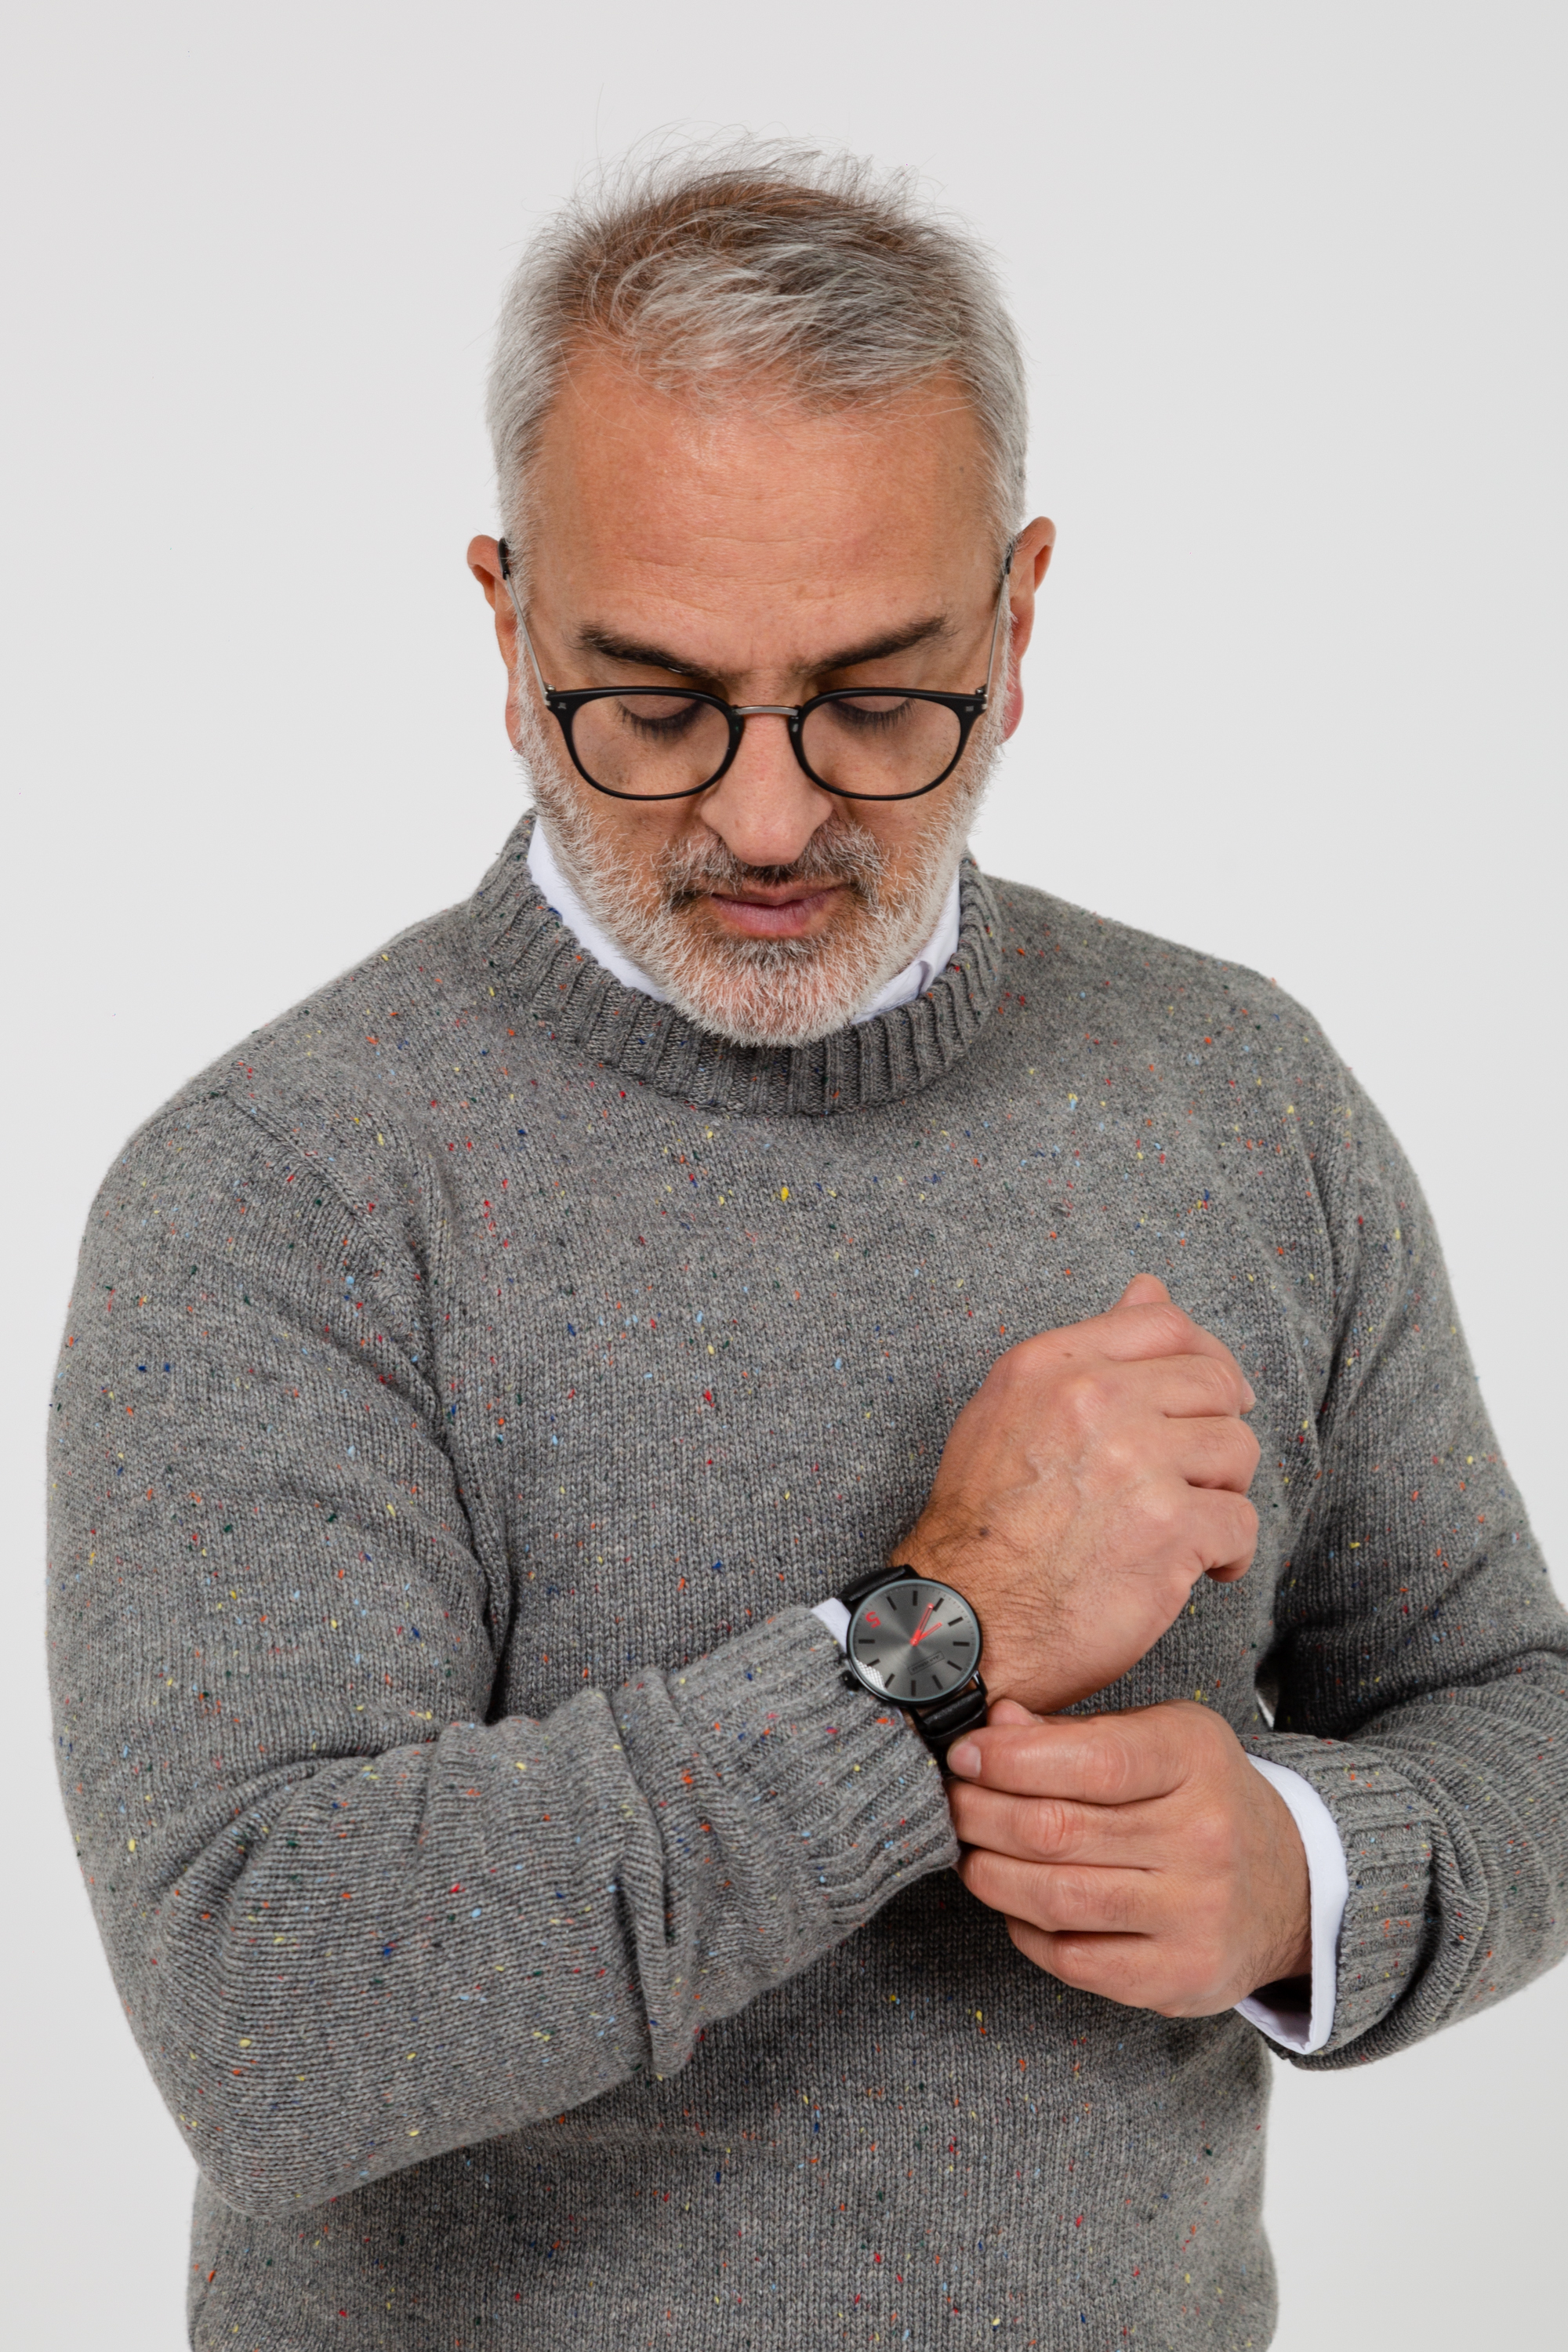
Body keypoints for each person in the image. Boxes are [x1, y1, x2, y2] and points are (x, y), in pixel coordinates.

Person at [48, 142, 1566, 2351]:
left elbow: (1511, 1709)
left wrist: (1308, 1878)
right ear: (506, 631)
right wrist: (935, 1634)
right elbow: (272, 2020)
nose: (766, 819)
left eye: (875, 697)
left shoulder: (1245, 1092)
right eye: (653, 704)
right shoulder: (279, 1193)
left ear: (1018, 622)